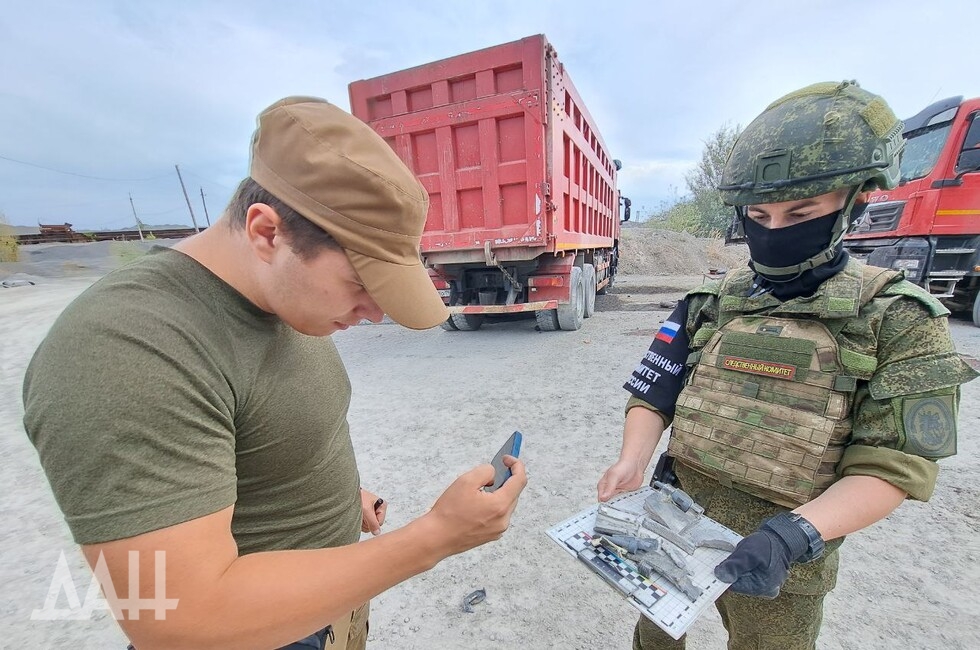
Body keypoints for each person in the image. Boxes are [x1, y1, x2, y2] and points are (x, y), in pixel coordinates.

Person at [23, 96, 527, 650]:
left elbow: (265, 424)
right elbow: (176, 620)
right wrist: (434, 537)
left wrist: (327, 494)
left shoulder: (279, 295)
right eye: (362, 285)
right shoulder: (125, 350)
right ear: (267, 233)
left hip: (324, 603)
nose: (376, 313)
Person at [597, 81, 977, 649]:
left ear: (852, 201)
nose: (774, 230)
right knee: (654, 639)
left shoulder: (898, 318)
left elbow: (895, 465)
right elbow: (654, 390)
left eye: (801, 211)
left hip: (785, 557)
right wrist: (633, 460)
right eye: (758, 214)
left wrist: (793, 535)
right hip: (673, 519)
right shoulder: (712, 301)